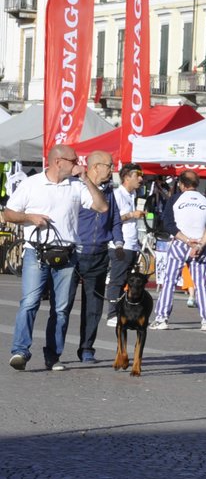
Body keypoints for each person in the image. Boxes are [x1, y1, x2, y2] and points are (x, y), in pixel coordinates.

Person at [3, 144, 108, 371]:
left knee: (61, 308)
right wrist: (29, 217)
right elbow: (8, 213)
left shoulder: (76, 186)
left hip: (66, 254)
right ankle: (20, 351)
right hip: (36, 251)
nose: (78, 163)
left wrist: (87, 180)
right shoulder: (32, 184)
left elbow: (102, 207)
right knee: (30, 302)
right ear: (58, 161)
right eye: (74, 160)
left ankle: (53, 355)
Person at [151, 171, 206, 331]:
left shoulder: (175, 199)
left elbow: (168, 224)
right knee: (200, 284)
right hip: (201, 244)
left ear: (181, 184)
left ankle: (162, 318)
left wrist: (187, 240)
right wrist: (200, 244)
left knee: (169, 281)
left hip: (181, 242)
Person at [70, 151, 118, 363]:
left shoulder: (109, 191)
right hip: (73, 254)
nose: (112, 169)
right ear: (96, 166)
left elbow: (115, 218)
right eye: (109, 165)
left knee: (94, 306)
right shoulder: (74, 187)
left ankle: (87, 348)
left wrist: (119, 243)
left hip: (99, 253)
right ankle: (54, 350)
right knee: (63, 305)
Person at [104, 164, 145, 329]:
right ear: (127, 177)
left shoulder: (133, 194)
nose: (141, 179)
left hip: (132, 244)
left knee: (126, 282)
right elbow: (111, 220)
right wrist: (130, 215)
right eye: (138, 175)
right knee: (117, 280)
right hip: (120, 244)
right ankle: (112, 314)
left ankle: (121, 313)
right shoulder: (117, 194)